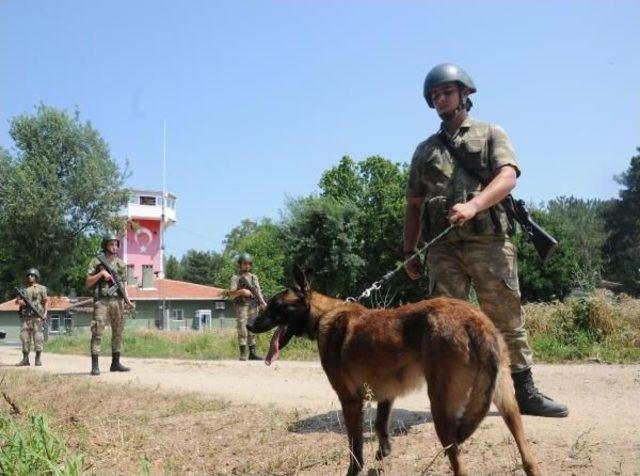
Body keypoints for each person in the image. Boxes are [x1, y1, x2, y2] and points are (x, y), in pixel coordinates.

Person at [403, 63, 568, 417]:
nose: (440, 99)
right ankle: (454, 393)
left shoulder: (491, 132)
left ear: (465, 93)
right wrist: (409, 249)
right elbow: (414, 205)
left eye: (446, 92)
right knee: (446, 324)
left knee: (505, 315)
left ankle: (524, 391)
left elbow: (508, 177)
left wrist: (475, 205)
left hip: (489, 241)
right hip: (442, 249)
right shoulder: (424, 150)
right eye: (434, 96)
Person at [86, 233, 134, 375]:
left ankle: (115, 363)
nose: (114, 247)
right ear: (105, 245)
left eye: (116, 244)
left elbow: (123, 284)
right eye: (111, 244)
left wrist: (127, 299)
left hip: (117, 300)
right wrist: (101, 275)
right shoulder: (96, 262)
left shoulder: (121, 264)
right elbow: (88, 282)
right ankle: (95, 365)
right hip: (102, 301)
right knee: (97, 331)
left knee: (118, 331)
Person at [229, 253, 267, 361]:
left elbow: (258, 291)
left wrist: (263, 303)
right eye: (245, 264)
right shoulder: (235, 278)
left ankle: (252, 353)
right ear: (240, 265)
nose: (247, 266)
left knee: (252, 328)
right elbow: (231, 294)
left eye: (249, 264)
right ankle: (243, 353)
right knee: (242, 328)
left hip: (253, 305)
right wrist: (241, 291)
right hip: (241, 306)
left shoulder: (254, 277)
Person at [15, 268, 48, 367]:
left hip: (37, 317)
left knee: (38, 338)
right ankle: (25, 359)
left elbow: (46, 302)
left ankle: (37, 359)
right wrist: (19, 301)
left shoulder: (42, 288)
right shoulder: (23, 290)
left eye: (32, 275)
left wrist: (45, 314)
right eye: (28, 275)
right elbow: (18, 302)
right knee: (25, 338)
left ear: (36, 277)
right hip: (26, 318)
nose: (30, 277)